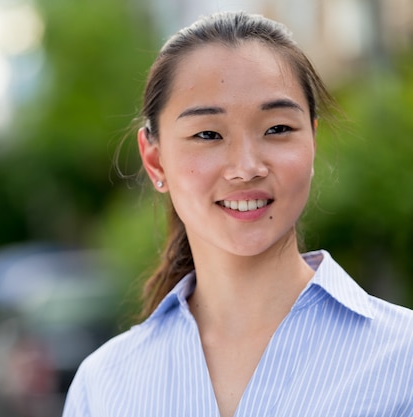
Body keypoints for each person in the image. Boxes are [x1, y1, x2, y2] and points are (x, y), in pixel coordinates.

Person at [62, 11, 413, 417]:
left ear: (312, 142)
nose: (246, 167)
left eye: (278, 128)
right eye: (208, 134)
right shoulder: (104, 386)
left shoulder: (402, 357)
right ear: (155, 161)